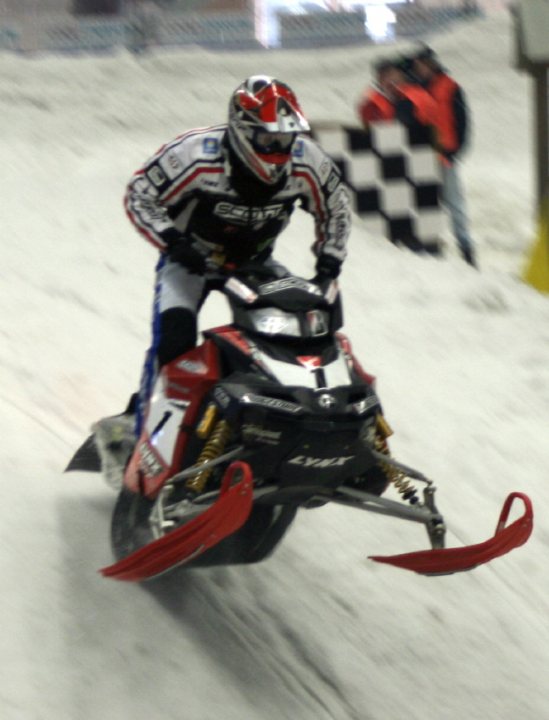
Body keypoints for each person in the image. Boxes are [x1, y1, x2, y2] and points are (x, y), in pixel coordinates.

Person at [93, 75, 352, 485]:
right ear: (242, 131)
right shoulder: (195, 154)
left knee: (300, 331)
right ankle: (145, 435)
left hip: (257, 264)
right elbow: (140, 193)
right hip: (190, 263)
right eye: (269, 141)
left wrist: (328, 264)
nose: (280, 151)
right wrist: (174, 242)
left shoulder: (307, 160)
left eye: (285, 140)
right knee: (173, 342)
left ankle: (285, 429)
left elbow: (337, 205)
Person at [411, 44, 477, 267]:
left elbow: (462, 121)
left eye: (421, 64)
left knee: (455, 206)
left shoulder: (450, 87)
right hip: (422, 157)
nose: (419, 69)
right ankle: (433, 252)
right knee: (428, 206)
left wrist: (455, 152)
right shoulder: (413, 89)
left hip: (444, 155)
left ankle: (467, 252)